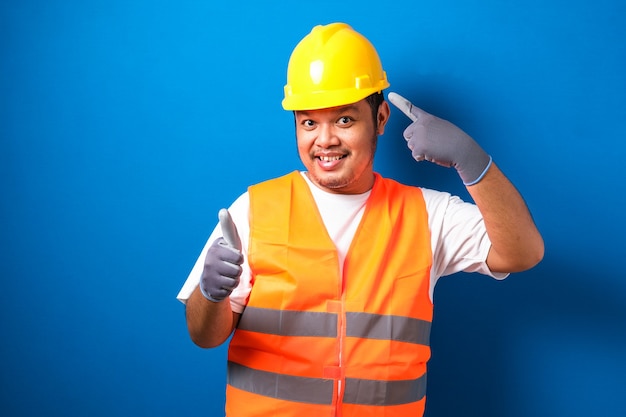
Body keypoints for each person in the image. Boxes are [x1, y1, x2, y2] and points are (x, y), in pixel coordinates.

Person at [177, 22, 544, 417]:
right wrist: (210, 293)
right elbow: (204, 336)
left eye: (344, 120)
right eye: (309, 122)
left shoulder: (426, 214)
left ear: (381, 118)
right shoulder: (252, 209)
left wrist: (471, 159)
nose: (325, 140)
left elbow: (522, 253)